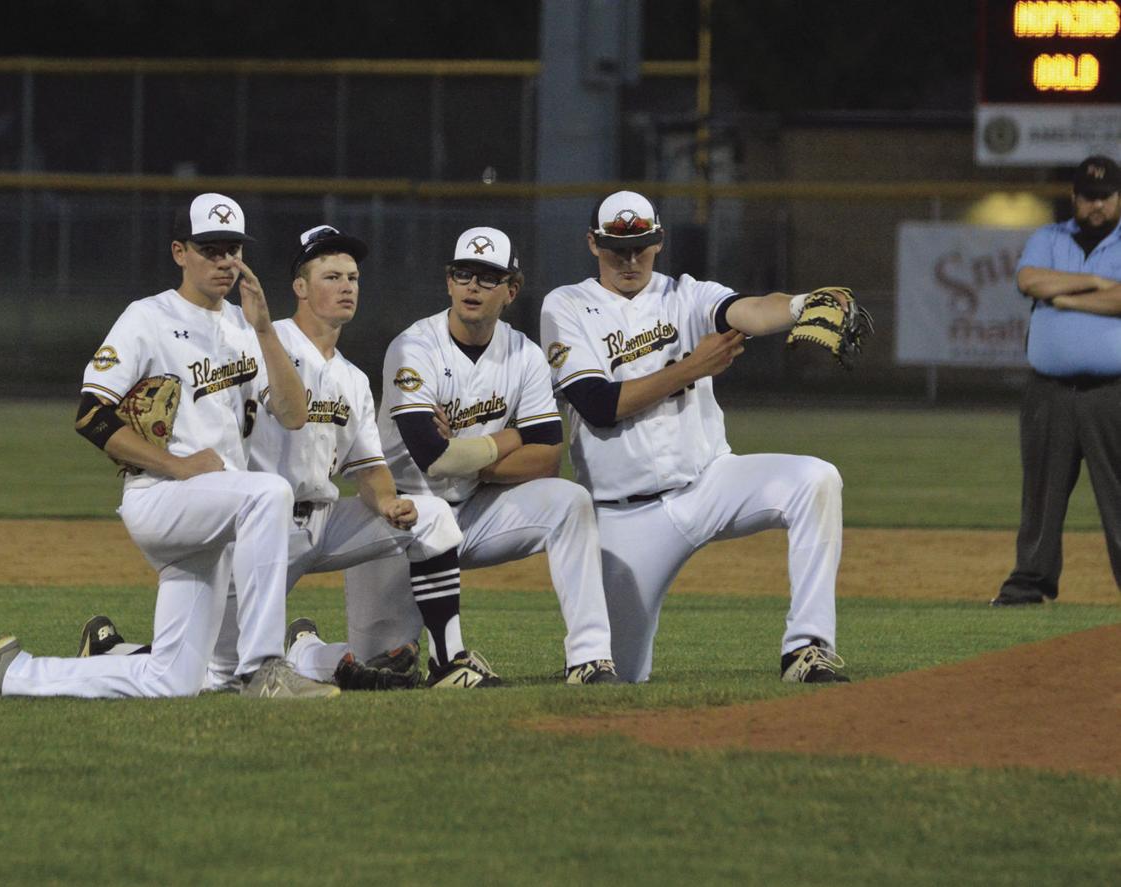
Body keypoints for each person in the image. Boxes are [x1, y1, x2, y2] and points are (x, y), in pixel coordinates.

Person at [0, 193, 338, 700]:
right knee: (269, 493)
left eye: (233, 249)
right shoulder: (148, 318)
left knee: (173, 680)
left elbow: (293, 415)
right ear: (179, 252)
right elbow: (92, 416)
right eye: (210, 248)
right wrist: (177, 465)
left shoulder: (244, 326)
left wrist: (267, 329)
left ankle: (8, 674)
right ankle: (265, 668)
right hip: (161, 495)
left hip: (212, 510)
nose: (225, 261)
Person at [82, 225, 466, 691]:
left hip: (323, 525)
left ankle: (449, 661)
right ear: (299, 289)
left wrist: (387, 502)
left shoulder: (353, 378)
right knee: (213, 673)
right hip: (259, 530)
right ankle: (113, 653)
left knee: (432, 517)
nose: (346, 287)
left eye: (353, 277)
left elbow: (367, 466)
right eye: (331, 276)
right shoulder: (257, 343)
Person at [538, 190, 852, 684]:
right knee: (617, 679)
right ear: (592, 245)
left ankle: (806, 649)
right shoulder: (567, 305)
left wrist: (798, 304)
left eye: (640, 245)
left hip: (710, 484)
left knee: (814, 479)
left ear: (659, 241)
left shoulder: (684, 294)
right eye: (616, 247)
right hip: (626, 516)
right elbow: (598, 405)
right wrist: (692, 368)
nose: (629, 258)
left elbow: (748, 310)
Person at [306, 226, 618, 688]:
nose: (473, 286)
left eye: (488, 278)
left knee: (570, 501)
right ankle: (304, 647)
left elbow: (548, 458)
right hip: (399, 519)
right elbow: (434, 458)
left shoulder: (524, 355)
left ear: (511, 290)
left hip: (475, 510)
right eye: (463, 274)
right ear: (449, 282)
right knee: (378, 667)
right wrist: (511, 438)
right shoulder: (413, 348)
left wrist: (476, 457)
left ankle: (590, 658)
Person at [990, 155, 1121, 606]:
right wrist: (1092, 282)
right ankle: (1029, 584)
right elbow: (1029, 281)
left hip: (1113, 393)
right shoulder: (1048, 237)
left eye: (1105, 196)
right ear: (1074, 198)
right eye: (1088, 196)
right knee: (1041, 494)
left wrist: (1065, 299)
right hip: (1048, 392)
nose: (1096, 205)